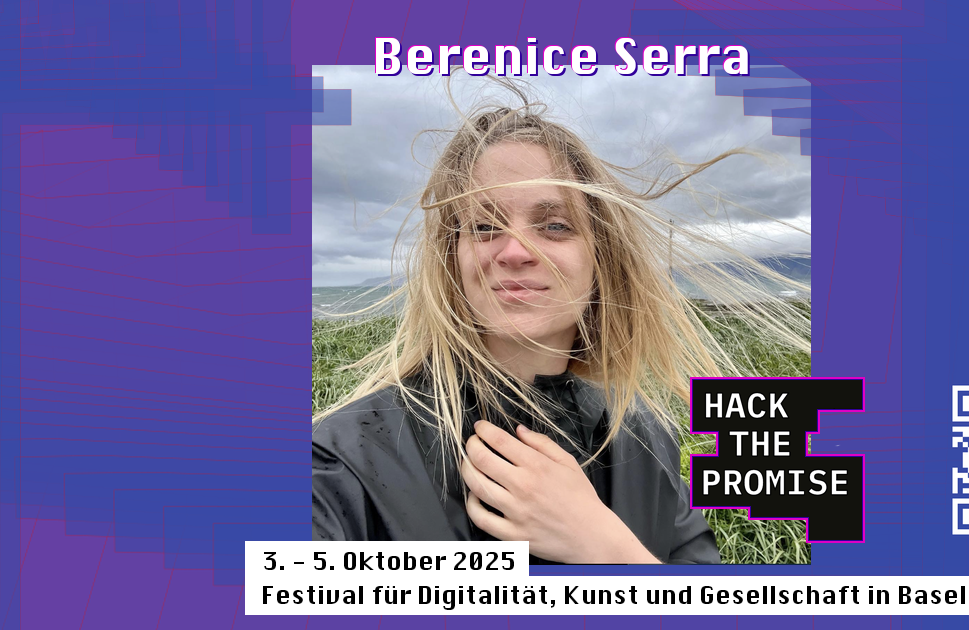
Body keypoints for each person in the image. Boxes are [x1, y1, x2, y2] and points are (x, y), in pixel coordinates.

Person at [312, 82, 810, 564]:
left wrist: (607, 550)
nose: (514, 251)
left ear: (603, 258)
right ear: (452, 257)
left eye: (554, 225)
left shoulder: (645, 438)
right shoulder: (341, 463)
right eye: (484, 225)